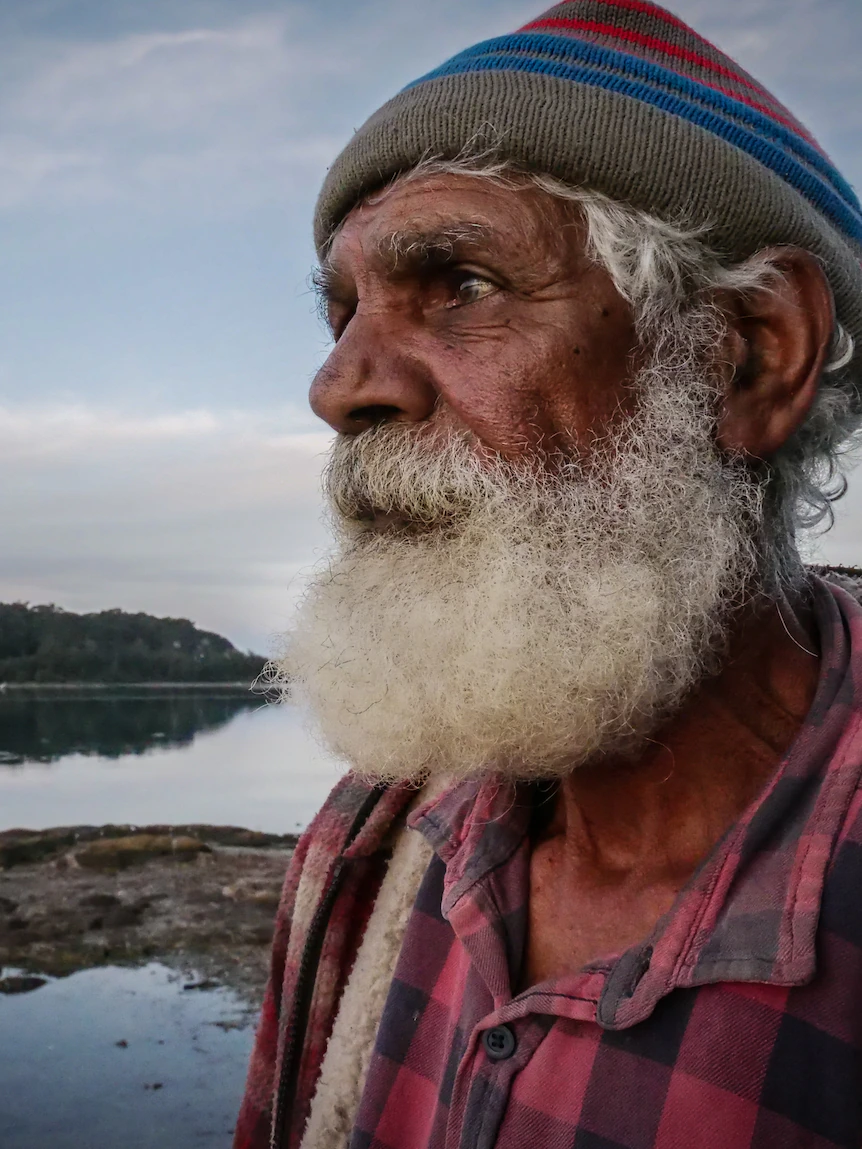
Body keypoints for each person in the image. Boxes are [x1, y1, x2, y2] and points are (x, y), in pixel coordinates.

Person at [235, 3, 862, 1146]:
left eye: (460, 283)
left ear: (750, 355)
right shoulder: (366, 844)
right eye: (344, 311)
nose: (336, 387)